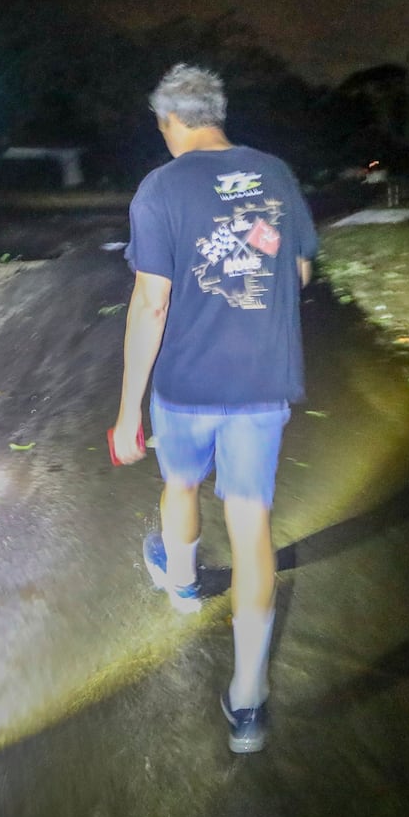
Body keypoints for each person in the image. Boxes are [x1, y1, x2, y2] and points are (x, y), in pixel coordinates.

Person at [111, 63, 318, 754]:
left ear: (172, 120)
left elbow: (152, 300)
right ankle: (250, 700)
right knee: (252, 520)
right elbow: (300, 271)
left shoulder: (161, 187)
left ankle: (182, 584)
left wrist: (126, 411)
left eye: (161, 126)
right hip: (263, 383)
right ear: (216, 111)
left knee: (180, 483)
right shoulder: (278, 174)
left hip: (187, 386)